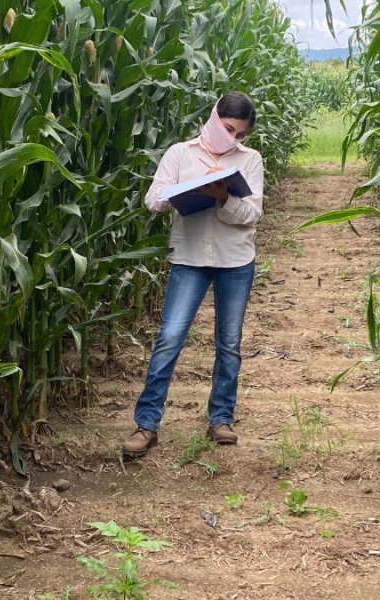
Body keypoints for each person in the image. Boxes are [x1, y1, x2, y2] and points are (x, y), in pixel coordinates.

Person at [122, 91, 263, 457]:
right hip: (189, 258)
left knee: (229, 344)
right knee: (169, 337)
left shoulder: (250, 160)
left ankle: (221, 418)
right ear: (216, 117)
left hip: (235, 260)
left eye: (241, 135)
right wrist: (184, 191)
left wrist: (221, 197)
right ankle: (146, 423)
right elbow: (152, 200)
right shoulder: (181, 153)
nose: (234, 139)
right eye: (230, 129)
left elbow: (251, 214)